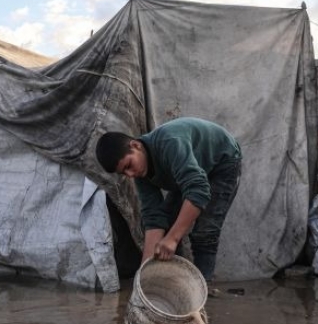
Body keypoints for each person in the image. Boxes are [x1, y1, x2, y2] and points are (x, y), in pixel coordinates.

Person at [95, 117, 242, 283]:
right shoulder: (140, 172)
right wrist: (144, 274)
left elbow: (198, 191)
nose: (130, 174)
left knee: (205, 232)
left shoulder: (170, 142)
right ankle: (173, 284)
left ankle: (201, 289)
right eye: (124, 173)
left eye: (128, 165)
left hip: (223, 162)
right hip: (191, 173)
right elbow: (154, 217)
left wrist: (172, 238)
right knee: (169, 227)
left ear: (136, 145)